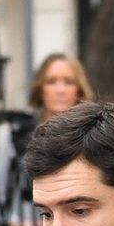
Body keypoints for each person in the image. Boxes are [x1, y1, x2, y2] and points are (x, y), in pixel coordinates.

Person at [7, 53, 95, 211]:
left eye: (68, 82)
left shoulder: (93, 133)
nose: (60, 90)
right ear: (40, 88)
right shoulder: (19, 133)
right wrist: (13, 223)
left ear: (79, 88)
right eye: (51, 81)